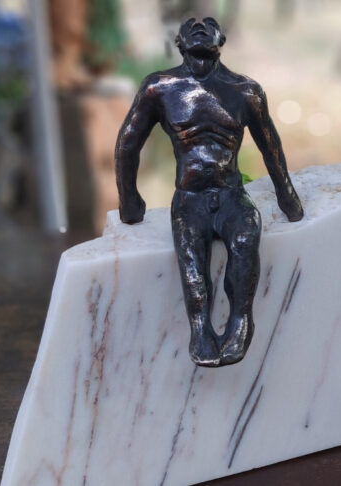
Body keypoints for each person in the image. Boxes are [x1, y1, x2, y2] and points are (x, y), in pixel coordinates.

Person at [115, 17, 304, 367]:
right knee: (192, 261)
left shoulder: (245, 90)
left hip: (231, 195)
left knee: (246, 238)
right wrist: (130, 202)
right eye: (191, 24)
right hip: (189, 199)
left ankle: (241, 322)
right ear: (178, 41)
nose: (200, 25)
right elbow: (128, 143)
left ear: (222, 40)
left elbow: (271, 147)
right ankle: (200, 330)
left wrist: (288, 198)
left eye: (209, 23)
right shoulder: (160, 88)